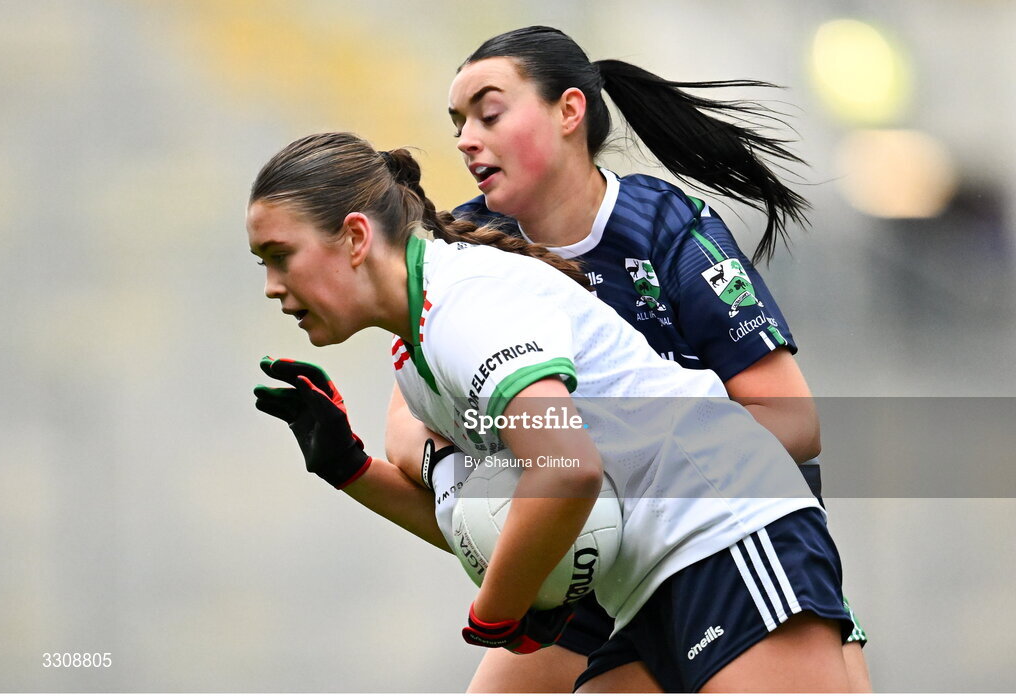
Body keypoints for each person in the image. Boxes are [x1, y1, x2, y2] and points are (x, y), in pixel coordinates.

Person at [248, 131, 857, 692]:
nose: (273, 286)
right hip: (645, 581)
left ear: (355, 237)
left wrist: (498, 613)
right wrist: (350, 467)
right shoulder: (417, 358)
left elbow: (567, 469)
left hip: (727, 528)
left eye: (281, 256)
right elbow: (490, 523)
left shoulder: (466, 309)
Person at [381, 25, 871, 692]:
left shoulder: (669, 229)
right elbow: (409, 428)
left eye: (488, 113)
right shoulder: (465, 254)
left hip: (720, 541)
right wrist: (470, 473)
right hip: (589, 564)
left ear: (569, 111)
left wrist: (608, 467)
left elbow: (792, 421)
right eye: (458, 122)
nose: (467, 137)